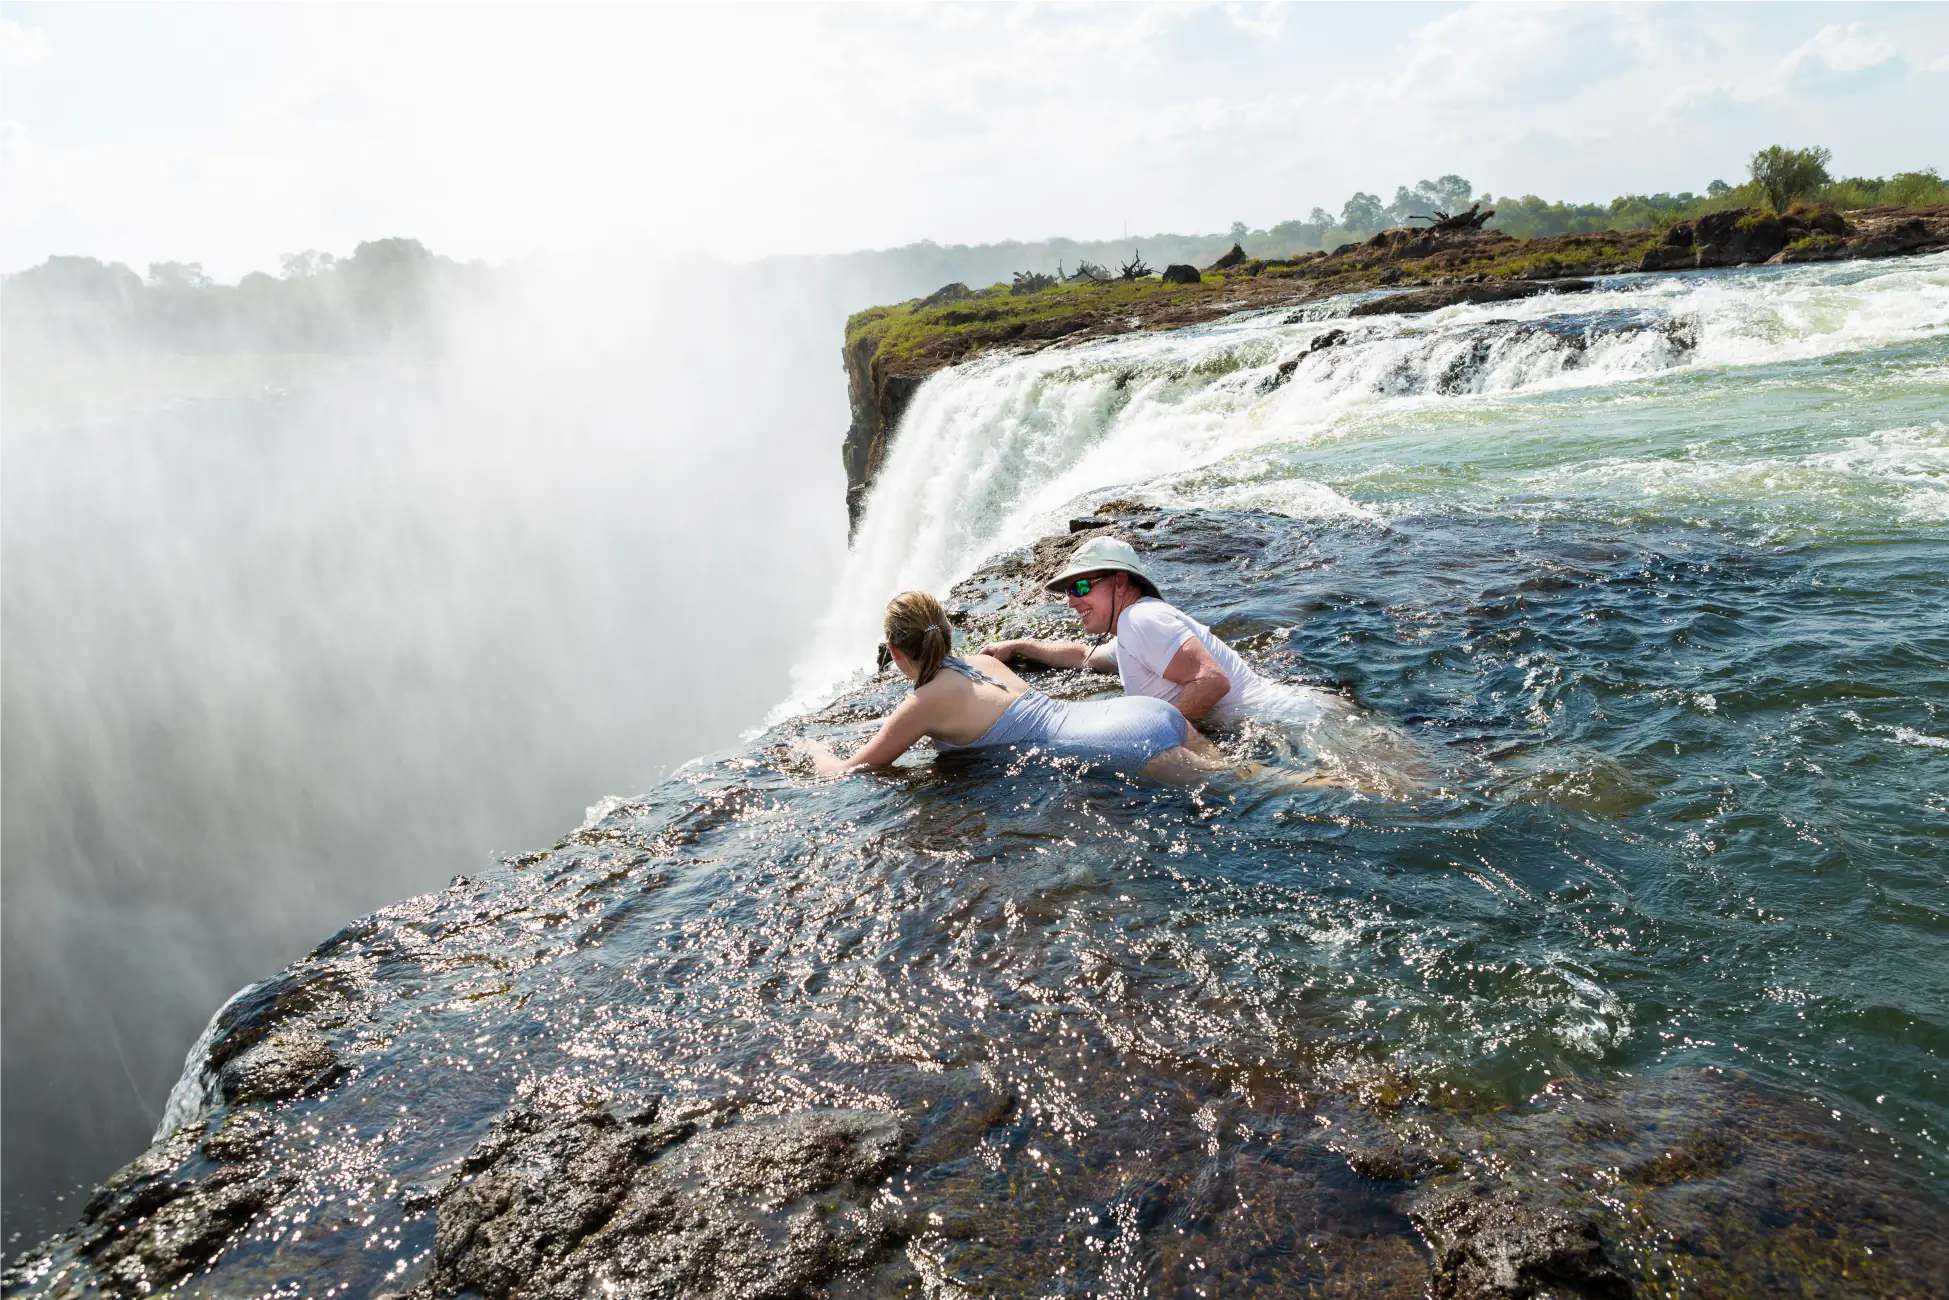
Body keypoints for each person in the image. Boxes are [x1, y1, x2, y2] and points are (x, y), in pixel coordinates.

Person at [794, 590, 1240, 786]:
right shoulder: (985, 661)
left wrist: (810, 748)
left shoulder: (922, 703)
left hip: (1119, 745)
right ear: (946, 633)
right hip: (1143, 714)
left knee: (1252, 796)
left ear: (894, 651)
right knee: (1263, 781)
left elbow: (849, 771)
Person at [977, 535, 1336, 727]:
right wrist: (1020, 645)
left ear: (1120, 582)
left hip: (1292, 722)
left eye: (1082, 587)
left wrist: (1153, 733)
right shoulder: (1133, 630)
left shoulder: (1141, 620)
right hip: (1292, 718)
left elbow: (1212, 682)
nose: (1072, 601)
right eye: (1069, 591)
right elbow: (1084, 657)